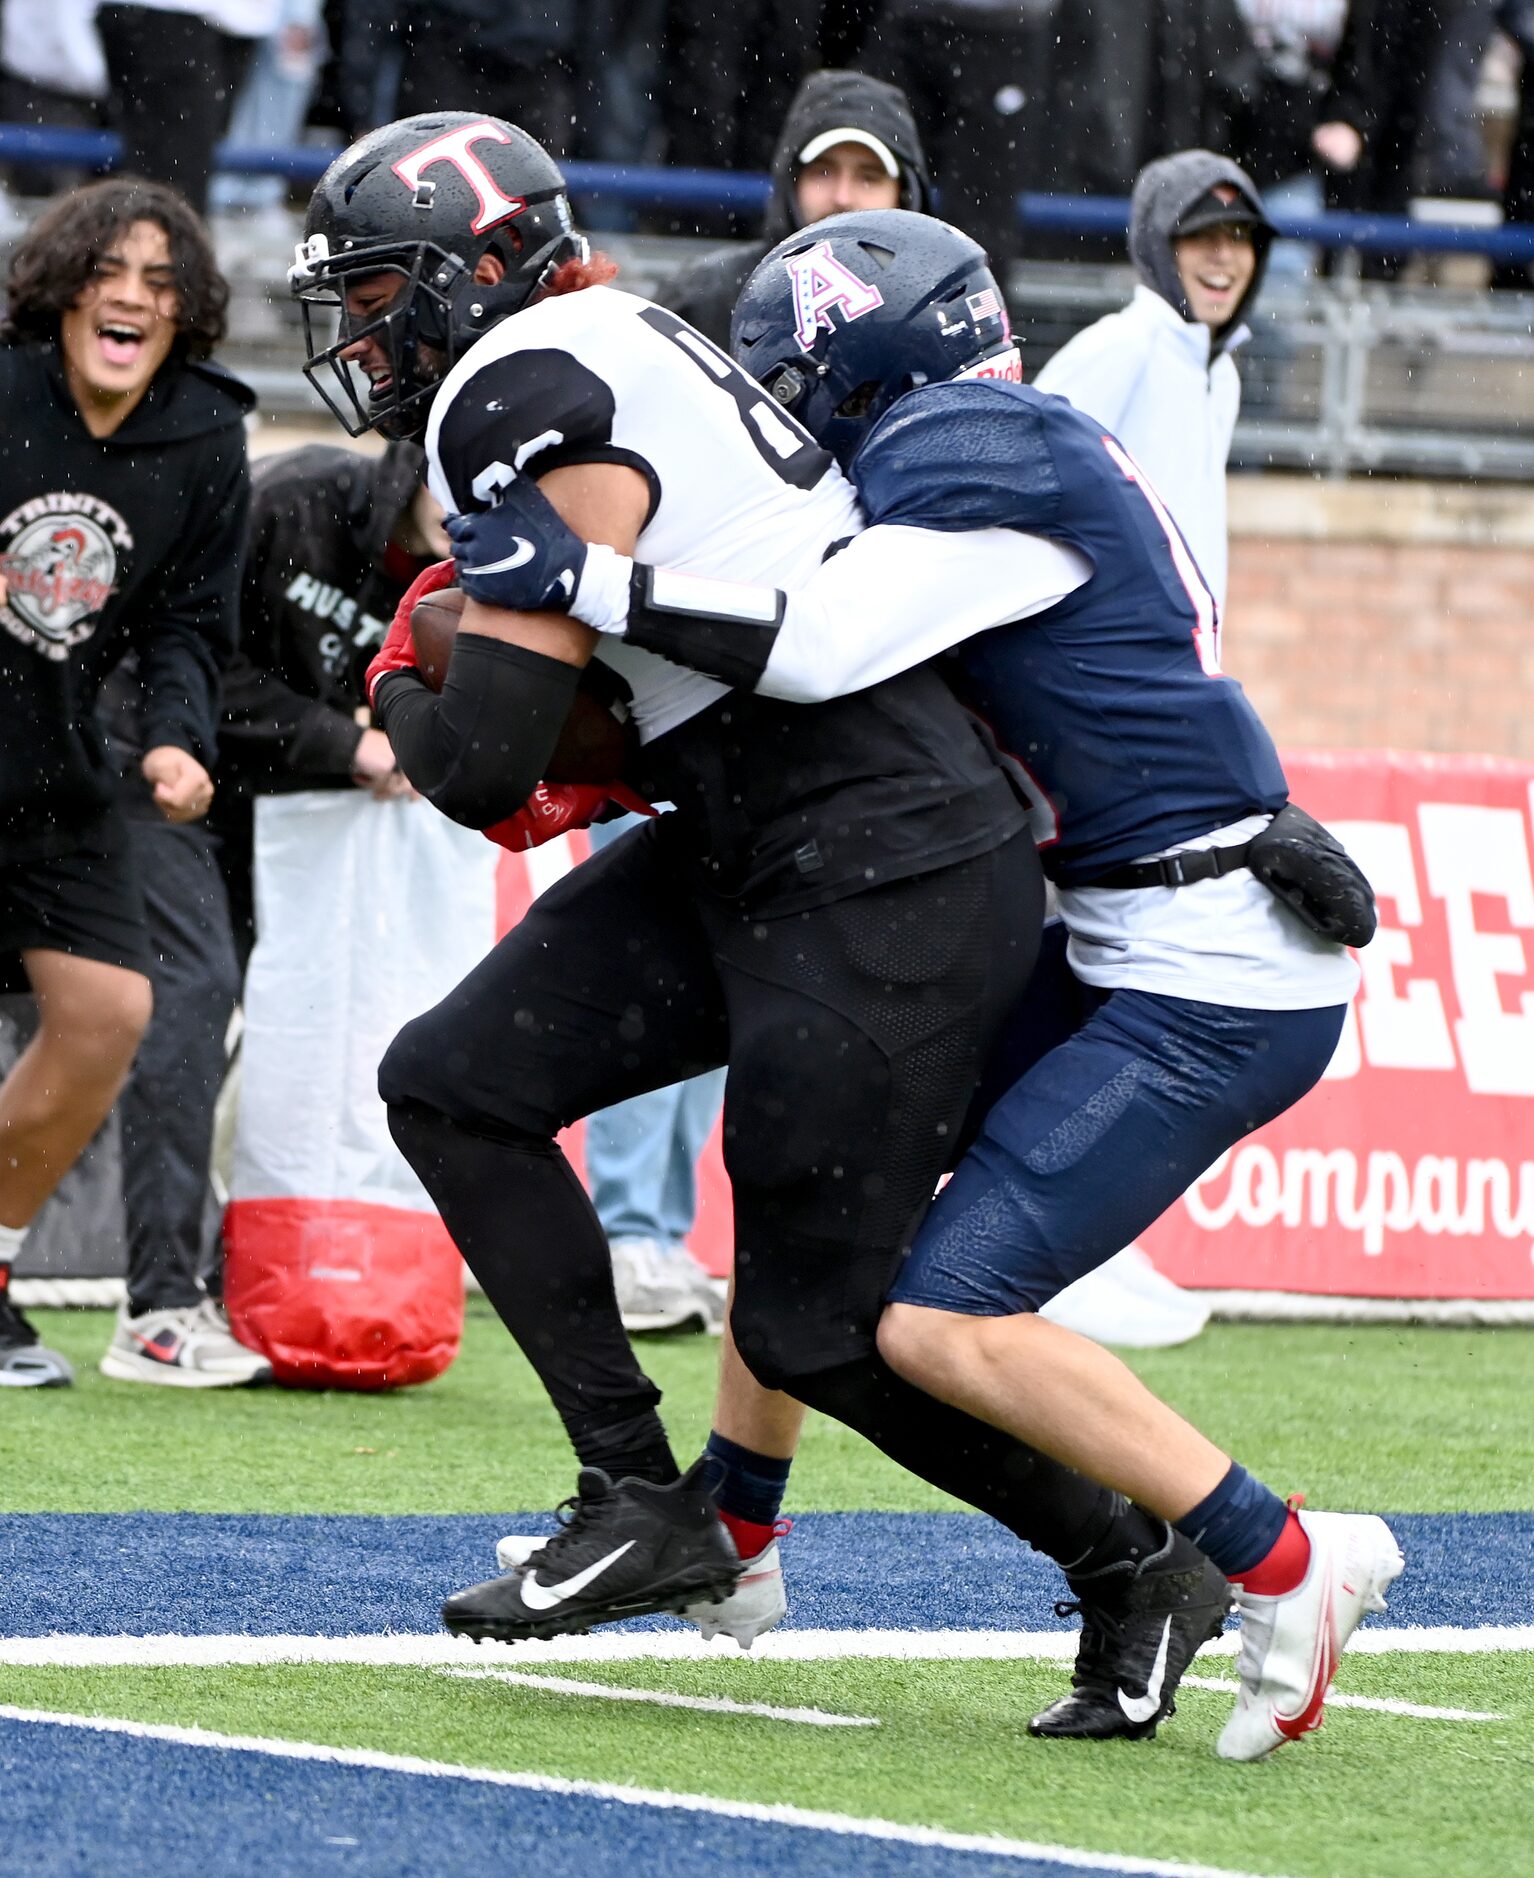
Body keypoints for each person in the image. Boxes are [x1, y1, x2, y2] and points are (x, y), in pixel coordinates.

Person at [291, 113, 1230, 1724]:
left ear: (479, 266)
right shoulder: (608, 335)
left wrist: (388, 674)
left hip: (880, 854)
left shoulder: (514, 380)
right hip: (763, 816)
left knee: (819, 1323)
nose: (365, 332)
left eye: (381, 290)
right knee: (455, 1079)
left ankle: (1140, 1555)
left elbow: (487, 762)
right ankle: (636, 1495)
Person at [465, 207, 1406, 1761]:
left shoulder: (973, 447)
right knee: (803, 1143)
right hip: (1116, 921)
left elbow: (824, 643)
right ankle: (743, 1531)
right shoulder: (1002, 437)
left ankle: (1287, 1558)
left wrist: (593, 583)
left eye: (787, 364)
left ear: (849, 349)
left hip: (1201, 977)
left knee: (936, 1319)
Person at [94, 439, 438, 1384]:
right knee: (190, 997)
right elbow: (186, 651)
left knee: (242, 1020)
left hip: (265, 804)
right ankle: (159, 1310)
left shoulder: (474, 574)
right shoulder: (295, 501)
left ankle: (200, 1286)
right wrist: (346, 743)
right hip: (151, 763)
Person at [0, 177, 251, 1387]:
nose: (133, 298)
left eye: (160, 283)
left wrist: (177, 738)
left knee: (108, 1015)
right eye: (112, 273)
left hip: (60, 770)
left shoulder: (204, 433)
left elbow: (187, 626)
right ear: (62, 289)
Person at [1036, 151, 1273, 619]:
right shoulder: (1119, 346)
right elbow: (1026, 495)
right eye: (1201, 234)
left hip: (1181, 663)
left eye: (1240, 234)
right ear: (1159, 246)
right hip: (1109, 664)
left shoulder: (1222, 372)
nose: (1223, 254)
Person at [664, 66, 931, 350]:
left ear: (904, 195)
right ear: (791, 182)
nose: (842, 197)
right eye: (823, 172)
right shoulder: (705, 300)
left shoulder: (942, 312)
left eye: (868, 178)